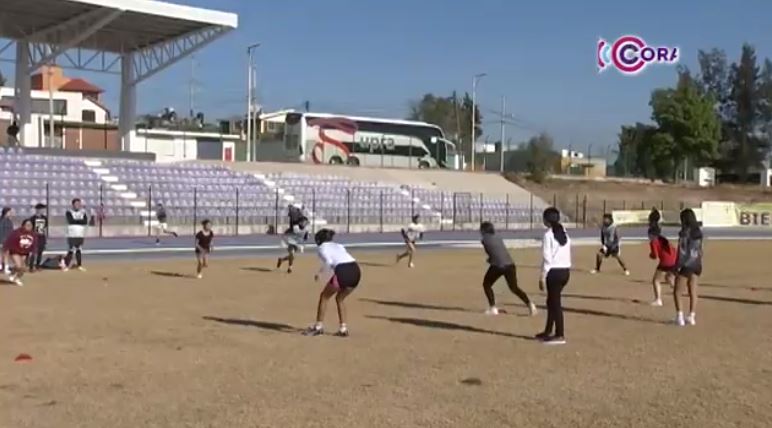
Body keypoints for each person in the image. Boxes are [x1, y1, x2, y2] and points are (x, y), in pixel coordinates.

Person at [303, 229, 361, 337]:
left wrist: (320, 274)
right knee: (340, 299)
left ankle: (318, 327)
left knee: (324, 297)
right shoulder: (339, 245)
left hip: (343, 271)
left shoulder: (321, 248)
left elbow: (329, 262)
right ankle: (343, 329)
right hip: (355, 270)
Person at [479, 221, 537, 316]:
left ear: (483, 230)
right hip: (510, 265)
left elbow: (492, 254)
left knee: (487, 284)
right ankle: (530, 304)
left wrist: (489, 260)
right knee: (514, 288)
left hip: (498, 266)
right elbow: (498, 251)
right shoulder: (498, 236)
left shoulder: (484, 240)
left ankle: (493, 308)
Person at [535, 207, 572, 345]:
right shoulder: (564, 232)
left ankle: (560, 334)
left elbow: (547, 258)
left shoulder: (548, 235)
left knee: (555, 303)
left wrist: (542, 276)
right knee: (551, 301)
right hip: (565, 271)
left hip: (554, 272)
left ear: (547, 220)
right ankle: (548, 330)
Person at [673, 209, 703, 327]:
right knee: (693, 292)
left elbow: (682, 251)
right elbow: (700, 251)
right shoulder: (698, 232)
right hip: (696, 264)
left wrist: (677, 266)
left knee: (677, 292)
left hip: (687, 264)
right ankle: (692, 316)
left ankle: (679, 317)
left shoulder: (684, 233)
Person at [648, 214, 676, 307]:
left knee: (656, 280)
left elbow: (655, 256)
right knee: (669, 277)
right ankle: (677, 290)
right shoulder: (663, 239)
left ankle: (658, 299)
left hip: (665, 262)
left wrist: (651, 255)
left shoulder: (653, 242)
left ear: (652, 234)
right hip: (674, 260)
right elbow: (673, 249)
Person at [2, 219, 36, 286]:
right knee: (19, 266)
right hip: (15, 251)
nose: (29, 227)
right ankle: (15, 278)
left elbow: (34, 244)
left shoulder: (33, 234)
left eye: (30, 225)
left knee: (23, 268)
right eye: (27, 225)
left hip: (25, 252)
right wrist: (6, 249)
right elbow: (9, 241)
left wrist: (33, 251)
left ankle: (16, 277)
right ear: (23, 225)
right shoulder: (17, 232)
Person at [63, 198, 88, 272]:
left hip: (80, 233)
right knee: (71, 249)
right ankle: (66, 265)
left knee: (79, 249)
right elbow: (71, 221)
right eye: (76, 204)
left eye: (79, 204)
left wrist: (76, 221)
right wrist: (79, 221)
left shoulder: (83, 212)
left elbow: (85, 221)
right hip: (72, 233)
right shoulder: (69, 212)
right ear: (73, 205)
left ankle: (79, 265)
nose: (77, 205)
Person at [27, 203, 48, 272]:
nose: (43, 211)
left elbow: (45, 227)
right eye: (41, 209)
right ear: (38, 210)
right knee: (34, 252)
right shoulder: (32, 218)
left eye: (43, 209)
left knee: (40, 252)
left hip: (41, 236)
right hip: (34, 236)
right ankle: (31, 266)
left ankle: (38, 265)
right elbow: (30, 227)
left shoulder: (44, 218)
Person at [0, 207, 14, 275]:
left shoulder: (9, 221)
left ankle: (5, 268)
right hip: (2, 240)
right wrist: (1, 241)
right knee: (1, 254)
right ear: (6, 212)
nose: (11, 213)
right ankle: (1, 267)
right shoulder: (2, 221)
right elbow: (1, 231)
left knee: (6, 254)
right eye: (10, 212)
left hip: (8, 240)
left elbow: (11, 232)